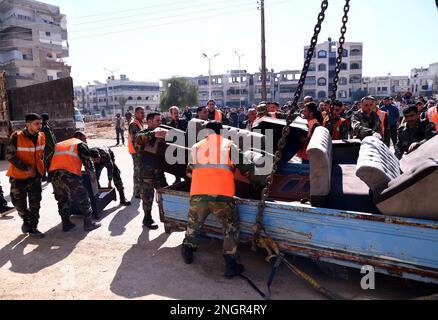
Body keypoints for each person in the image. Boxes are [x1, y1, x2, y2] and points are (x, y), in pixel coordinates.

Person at [181, 121, 257, 278]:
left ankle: (188, 253)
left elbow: (189, 172)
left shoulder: (196, 147)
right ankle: (231, 265)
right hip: (222, 196)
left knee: (193, 224)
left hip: (198, 195)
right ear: (221, 132)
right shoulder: (229, 145)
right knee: (230, 228)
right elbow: (247, 168)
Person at [50, 132, 101, 232]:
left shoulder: (60, 144)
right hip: (70, 176)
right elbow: (88, 162)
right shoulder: (80, 144)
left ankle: (66, 224)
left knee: (62, 199)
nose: (86, 141)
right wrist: (92, 175)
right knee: (83, 198)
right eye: (84, 138)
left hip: (55, 175)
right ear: (78, 137)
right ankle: (88, 223)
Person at [6, 113, 46, 238]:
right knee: (18, 203)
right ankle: (25, 219)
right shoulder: (17, 136)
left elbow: (41, 154)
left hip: (35, 176)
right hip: (18, 176)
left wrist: (42, 170)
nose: (40, 126)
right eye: (36, 124)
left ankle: (33, 227)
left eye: (40, 123)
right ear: (28, 124)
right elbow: (9, 155)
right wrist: (26, 168)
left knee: (35, 203)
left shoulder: (41, 136)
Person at [135, 112, 169, 229]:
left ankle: (169, 218)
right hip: (146, 173)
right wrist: (154, 134)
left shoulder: (163, 133)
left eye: (161, 120)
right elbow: (138, 140)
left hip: (159, 172)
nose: (160, 123)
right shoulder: (143, 134)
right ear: (149, 122)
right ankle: (147, 219)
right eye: (157, 121)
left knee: (166, 195)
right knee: (147, 198)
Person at [128, 107, 145, 198]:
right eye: (141, 112)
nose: (143, 114)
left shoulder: (139, 122)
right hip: (136, 151)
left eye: (143, 112)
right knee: (137, 171)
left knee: (139, 171)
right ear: (136, 113)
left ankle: (138, 190)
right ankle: (137, 192)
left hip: (138, 151)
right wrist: (140, 152)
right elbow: (136, 141)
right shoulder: (134, 124)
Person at [41, 113, 57, 182]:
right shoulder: (46, 128)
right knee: (50, 163)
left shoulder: (40, 127)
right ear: (47, 119)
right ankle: (50, 178)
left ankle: (44, 176)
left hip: (43, 149)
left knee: (44, 163)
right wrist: (54, 148)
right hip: (48, 150)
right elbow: (50, 139)